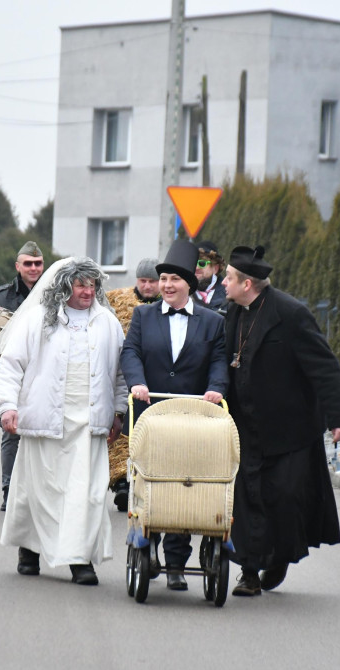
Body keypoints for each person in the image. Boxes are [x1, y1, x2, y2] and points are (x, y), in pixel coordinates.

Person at [221, 245, 340, 597]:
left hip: (290, 430)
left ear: (247, 284)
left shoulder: (291, 314)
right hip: (245, 428)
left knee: (284, 498)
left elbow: (324, 366)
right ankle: (248, 572)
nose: (223, 283)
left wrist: (339, 418)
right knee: (246, 500)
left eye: (229, 278)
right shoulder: (232, 313)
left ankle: (279, 557)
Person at [0, 257, 126, 586]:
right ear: (65, 286)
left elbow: (119, 373)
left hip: (90, 421)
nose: (87, 291)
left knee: (87, 494)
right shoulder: (39, 319)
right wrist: (8, 406)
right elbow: (12, 365)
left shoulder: (107, 323)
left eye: (92, 284)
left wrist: (119, 410)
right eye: (81, 284)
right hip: (47, 416)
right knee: (38, 490)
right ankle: (29, 549)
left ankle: (79, 559)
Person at [119, 240, 228, 591]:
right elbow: (131, 351)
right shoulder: (143, 315)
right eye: (163, 278)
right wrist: (136, 382)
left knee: (186, 483)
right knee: (151, 479)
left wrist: (216, 388)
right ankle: (147, 544)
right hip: (152, 413)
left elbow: (219, 362)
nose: (166, 285)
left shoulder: (212, 322)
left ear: (188, 285)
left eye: (174, 280)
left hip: (193, 415)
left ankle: (178, 562)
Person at [0, 240, 45, 511]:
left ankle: (38, 492)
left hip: (42, 372)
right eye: (28, 263)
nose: (33, 268)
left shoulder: (54, 292)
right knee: (12, 432)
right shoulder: (2, 296)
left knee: (42, 431)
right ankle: (9, 490)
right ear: (18, 266)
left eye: (38, 263)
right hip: (11, 372)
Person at [104, 257, 161, 511]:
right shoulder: (117, 298)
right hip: (120, 372)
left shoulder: (168, 305)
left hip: (153, 375)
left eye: (152, 281)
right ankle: (121, 482)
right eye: (143, 281)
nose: (147, 286)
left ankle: (146, 477)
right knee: (119, 430)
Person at [195, 240, 227, 313]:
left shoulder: (230, 296)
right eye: (194, 263)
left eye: (202, 263)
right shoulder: (181, 294)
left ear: (215, 268)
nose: (196, 268)